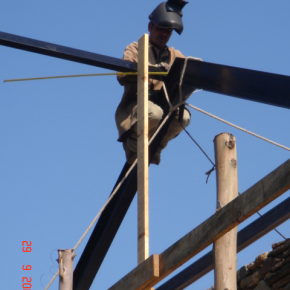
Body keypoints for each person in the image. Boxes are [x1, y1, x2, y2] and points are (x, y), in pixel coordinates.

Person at [115, 0, 191, 165]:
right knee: (154, 113)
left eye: (168, 31)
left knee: (183, 117)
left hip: (164, 106)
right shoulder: (135, 48)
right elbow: (122, 75)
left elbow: (189, 72)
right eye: (161, 29)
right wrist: (152, 69)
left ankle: (155, 148)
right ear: (150, 27)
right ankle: (134, 148)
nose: (164, 34)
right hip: (135, 107)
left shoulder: (174, 54)